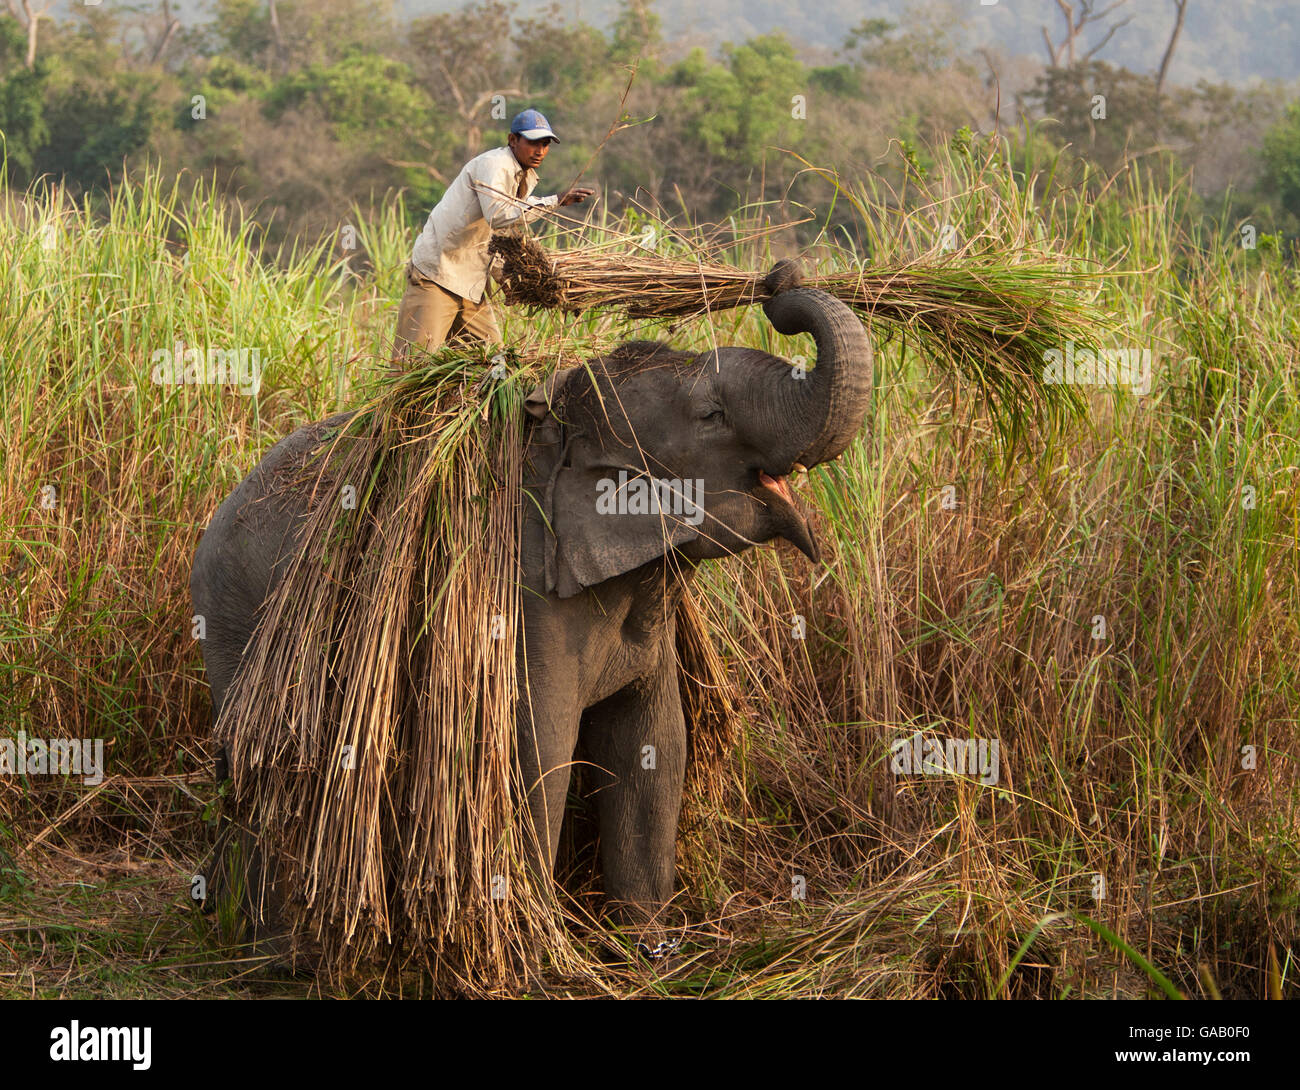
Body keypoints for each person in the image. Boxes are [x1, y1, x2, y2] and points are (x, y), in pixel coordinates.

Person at [391, 108, 596, 365]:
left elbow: (497, 235)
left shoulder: (524, 176)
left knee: (494, 365)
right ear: (512, 140)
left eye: (545, 144)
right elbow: (499, 215)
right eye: (533, 142)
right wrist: (555, 201)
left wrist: (506, 279)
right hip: (438, 276)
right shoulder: (495, 165)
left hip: (470, 284)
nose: (540, 150)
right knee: (411, 368)